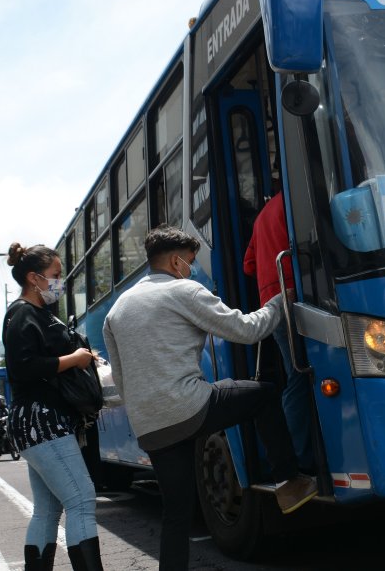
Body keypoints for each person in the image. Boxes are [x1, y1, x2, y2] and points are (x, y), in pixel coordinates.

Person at [103, 226, 317, 571]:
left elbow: (121, 377)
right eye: (189, 261)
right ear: (175, 261)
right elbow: (248, 331)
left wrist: (147, 414)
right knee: (264, 395)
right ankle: (289, 482)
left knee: (176, 513)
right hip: (189, 406)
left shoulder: (118, 309)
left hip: (149, 426)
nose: (191, 267)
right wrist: (279, 299)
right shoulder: (183, 290)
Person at [4, 242, 102, 571]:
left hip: (39, 421)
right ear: (34, 278)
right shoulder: (21, 313)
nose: (60, 282)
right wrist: (73, 359)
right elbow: (23, 366)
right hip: (41, 420)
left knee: (47, 510)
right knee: (82, 499)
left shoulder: (40, 313)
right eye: (55, 276)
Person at [242, 188, 315, 470]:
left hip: (272, 302)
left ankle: (299, 454)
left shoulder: (263, 215)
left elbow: (248, 266)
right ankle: (300, 456)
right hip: (298, 294)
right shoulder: (298, 200)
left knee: (295, 374)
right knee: (302, 377)